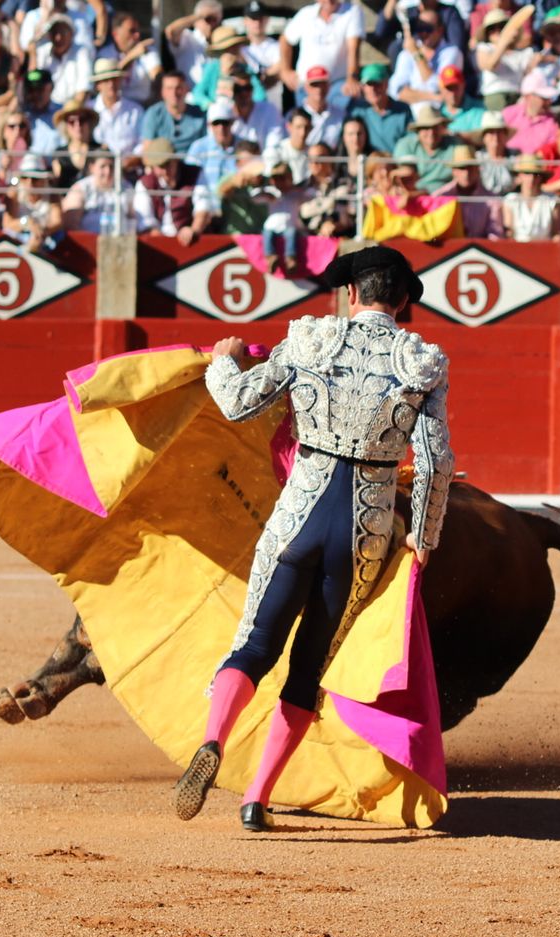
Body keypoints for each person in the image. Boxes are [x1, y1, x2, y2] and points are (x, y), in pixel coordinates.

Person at [175, 245, 452, 833]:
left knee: (253, 646)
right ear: (403, 303)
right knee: (307, 672)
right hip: (364, 536)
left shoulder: (310, 340)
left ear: (351, 294)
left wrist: (224, 361)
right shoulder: (422, 362)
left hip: (298, 519)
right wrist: (423, 536)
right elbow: (435, 462)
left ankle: (213, 740)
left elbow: (236, 404)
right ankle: (256, 798)